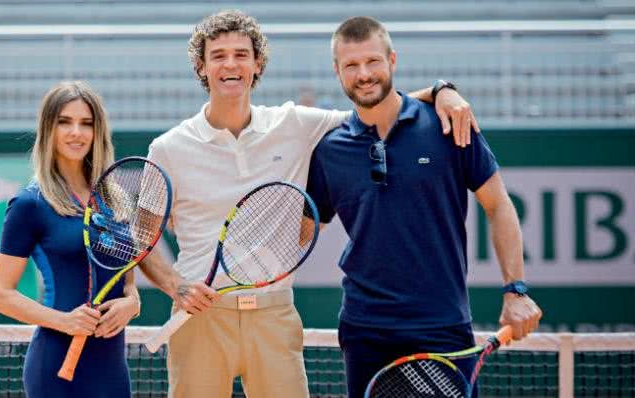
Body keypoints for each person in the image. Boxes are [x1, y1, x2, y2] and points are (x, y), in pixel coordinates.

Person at [139, 10, 479, 398]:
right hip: (199, 321)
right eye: (218, 55)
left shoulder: (295, 124)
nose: (230, 64)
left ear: (257, 63)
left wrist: (440, 90)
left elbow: (373, 105)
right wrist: (175, 285)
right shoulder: (166, 148)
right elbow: (141, 238)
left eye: (241, 54)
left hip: (274, 316)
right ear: (201, 66)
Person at [305, 17, 543, 398]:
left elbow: (499, 205)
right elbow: (301, 233)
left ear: (392, 60)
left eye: (373, 62)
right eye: (351, 65)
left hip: (441, 325)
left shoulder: (450, 125)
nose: (364, 74)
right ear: (337, 71)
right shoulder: (329, 149)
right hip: (365, 329)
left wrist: (515, 290)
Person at [0, 81, 141, 397]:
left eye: (87, 123)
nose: (77, 132)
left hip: (112, 370)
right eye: (65, 122)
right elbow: (1, 295)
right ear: (49, 129)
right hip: (57, 366)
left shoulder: (114, 200)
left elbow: (125, 282)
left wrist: (132, 302)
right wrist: (65, 322)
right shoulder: (29, 204)